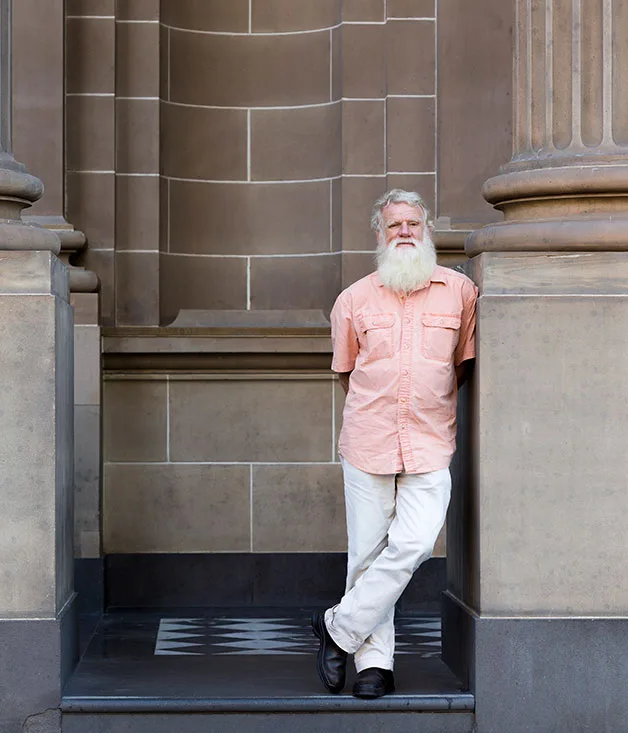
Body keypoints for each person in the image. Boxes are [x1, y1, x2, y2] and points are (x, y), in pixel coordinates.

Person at [312, 189, 478, 699]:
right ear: (379, 236)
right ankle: (374, 666)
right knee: (365, 553)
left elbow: (462, 365)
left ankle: (337, 628)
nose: (404, 232)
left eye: (412, 223)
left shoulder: (461, 292)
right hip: (368, 438)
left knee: (414, 544)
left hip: (430, 441)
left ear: (425, 229)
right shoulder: (354, 300)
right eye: (393, 226)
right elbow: (347, 373)